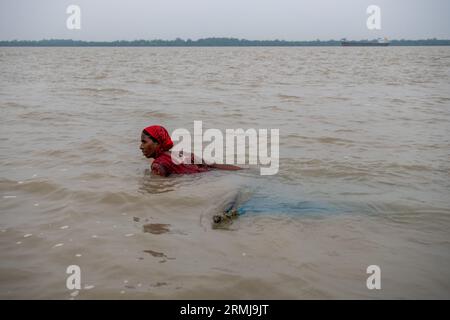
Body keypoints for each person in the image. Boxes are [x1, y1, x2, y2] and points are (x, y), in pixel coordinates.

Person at [140, 125, 242, 176]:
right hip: (213, 176)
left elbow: (159, 189)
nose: (141, 146)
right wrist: (243, 171)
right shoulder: (182, 154)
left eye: (144, 142)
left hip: (201, 184)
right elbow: (214, 166)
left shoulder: (157, 165)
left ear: (157, 143)